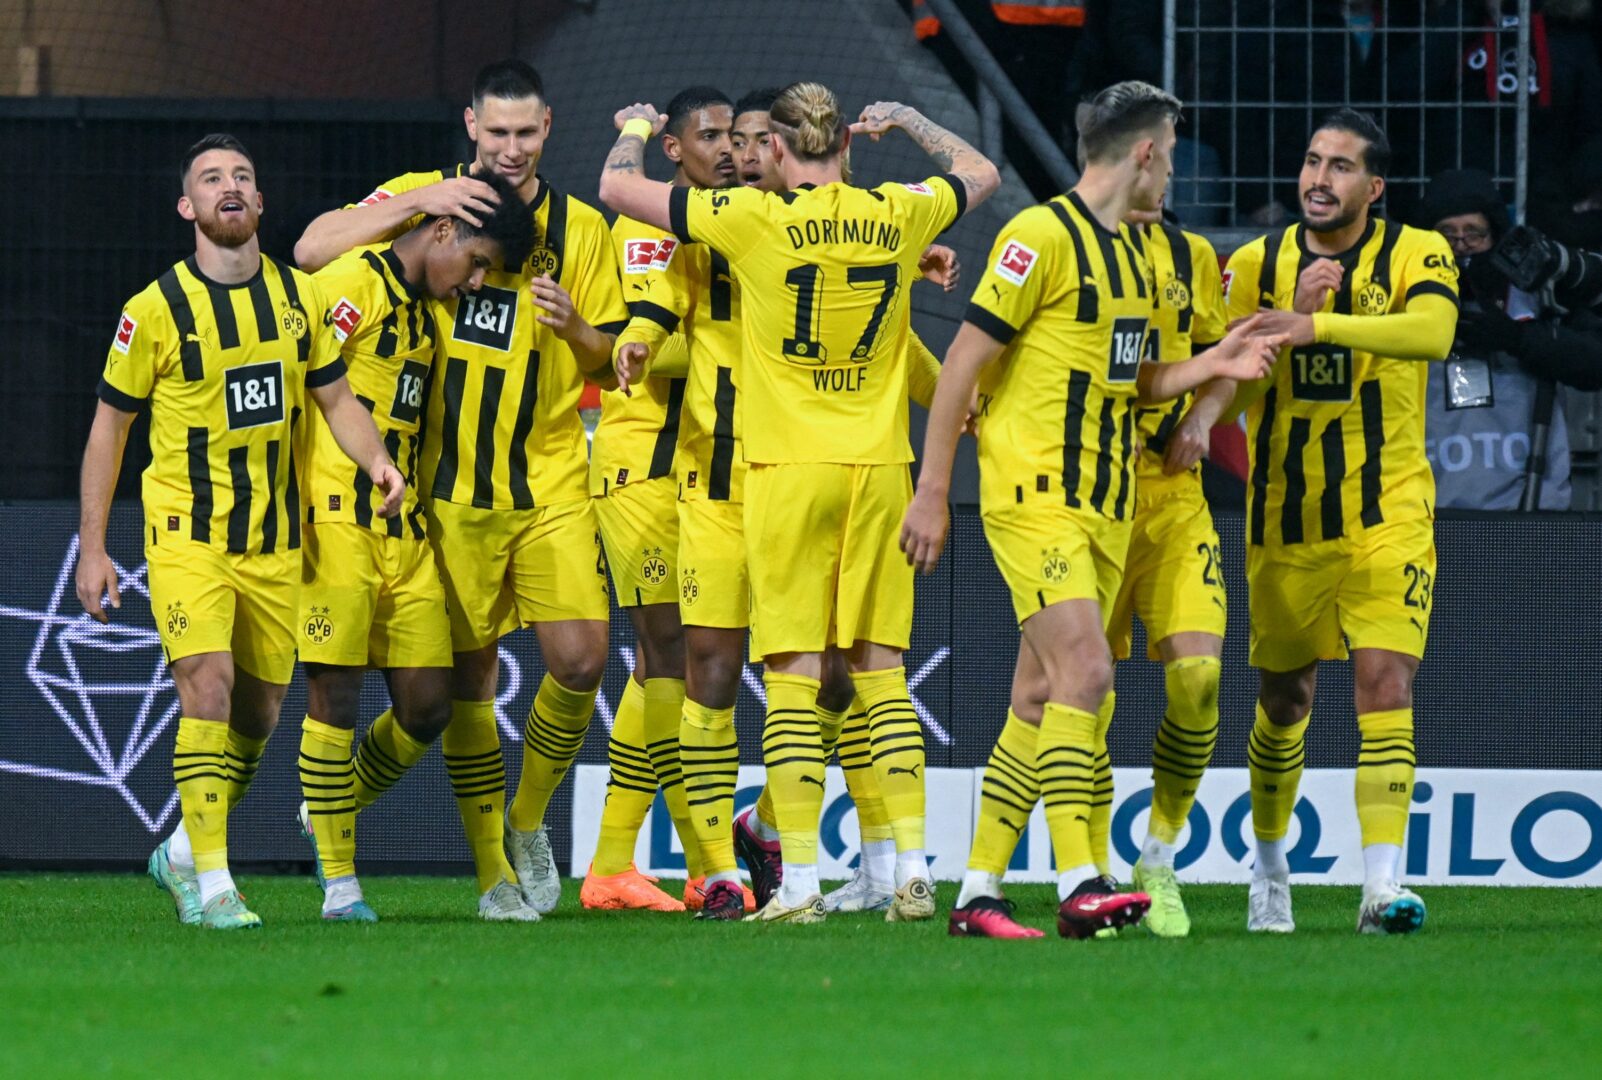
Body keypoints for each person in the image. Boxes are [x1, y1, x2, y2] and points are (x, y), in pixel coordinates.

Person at [600, 81, 1000, 923]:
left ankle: (806, 879)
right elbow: (979, 173)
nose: (742, 152)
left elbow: (616, 190)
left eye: (755, 140)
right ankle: (862, 869)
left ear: (777, 149)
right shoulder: (893, 214)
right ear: (846, 144)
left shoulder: (749, 223)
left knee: (803, 677)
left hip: (784, 470)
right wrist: (912, 123)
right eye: (729, 140)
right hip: (832, 473)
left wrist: (633, 128)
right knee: (844, 670)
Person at [901, 81, 1281, 940]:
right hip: (1037, 494)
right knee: (1088, 672)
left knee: (1039, 697)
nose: (1171, 173)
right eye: (1170, 156)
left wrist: (1213, 364)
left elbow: (1134, 379)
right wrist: (933, 490)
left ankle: (979, 894)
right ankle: (1083, 880)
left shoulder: (1139, 261)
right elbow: (962, 362)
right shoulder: (1039, 237)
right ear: (1145, 153)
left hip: (1107, 502)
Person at [294, 60, 628, 922]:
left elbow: (613, 363)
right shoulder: (425, 199)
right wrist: (416, 200)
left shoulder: (584, 231)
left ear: (547, 128)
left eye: (526, 132)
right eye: (497, 131)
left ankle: (526, 822)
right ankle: (491, 877)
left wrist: (579, 330)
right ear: (473, 126)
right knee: (460, 687)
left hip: (549, 478)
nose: (511, 148)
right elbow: (313, 249)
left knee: (582, 659)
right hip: (443, 493)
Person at [76, 133, 403, 930]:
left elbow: (336, 400)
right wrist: (93, 546)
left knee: (256, 718)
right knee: (208, 687)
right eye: (211, 178)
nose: (229, 186)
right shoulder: (154, 311)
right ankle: (217, 884)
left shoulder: (298, 299)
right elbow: (109, 429)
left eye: (242, 176)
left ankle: (182, 853)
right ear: (187, 206)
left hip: (275, 542)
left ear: (259, 202)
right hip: (187, 535)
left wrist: (378, 463)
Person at [1222, 109, 1459, 935]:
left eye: (1341, 167)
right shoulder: (1255, 265)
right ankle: (1269, 865)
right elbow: (1230, 394)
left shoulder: (1418, 251)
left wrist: (1316, 323)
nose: (1319, 180)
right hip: (1286, 517)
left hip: (1389, 510)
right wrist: (1282, 320)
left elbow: (1434, 333)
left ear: (1375, 186)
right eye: (1313, 162)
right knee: (1285, 698)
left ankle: (1381, 889)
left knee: (1386, 681)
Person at [293, 170, 535, 922]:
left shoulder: (430, 317)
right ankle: (340, 884)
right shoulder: (351, 282)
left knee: (430, 706)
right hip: (333, 518)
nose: (477, 282)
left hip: (405, 529)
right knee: (334, 694)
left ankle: (327, 806)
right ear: (442, 230)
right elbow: (297, 370)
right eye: (476, 263)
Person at [585, 85, 738, 913]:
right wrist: (739, 342)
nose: (727, 149)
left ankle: (617, 863)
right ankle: (710, 861)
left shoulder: (734, 225)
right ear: (674, 150)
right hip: (641, 466)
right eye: (708, 136)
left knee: (662, 664)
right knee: (671, 652)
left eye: (733, 135)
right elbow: (649, 350)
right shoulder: (650, 228)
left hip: (704, 474)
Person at [1419, 168, 1578, 510]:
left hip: (1526, 510)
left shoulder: (1537, 297)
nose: (1461, 245)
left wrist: (1517, 338)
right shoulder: (1404, 302)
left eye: (1474, 233)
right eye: (1446, 234)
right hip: (1425, 515)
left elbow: (1590, 362)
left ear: (1495, 236)